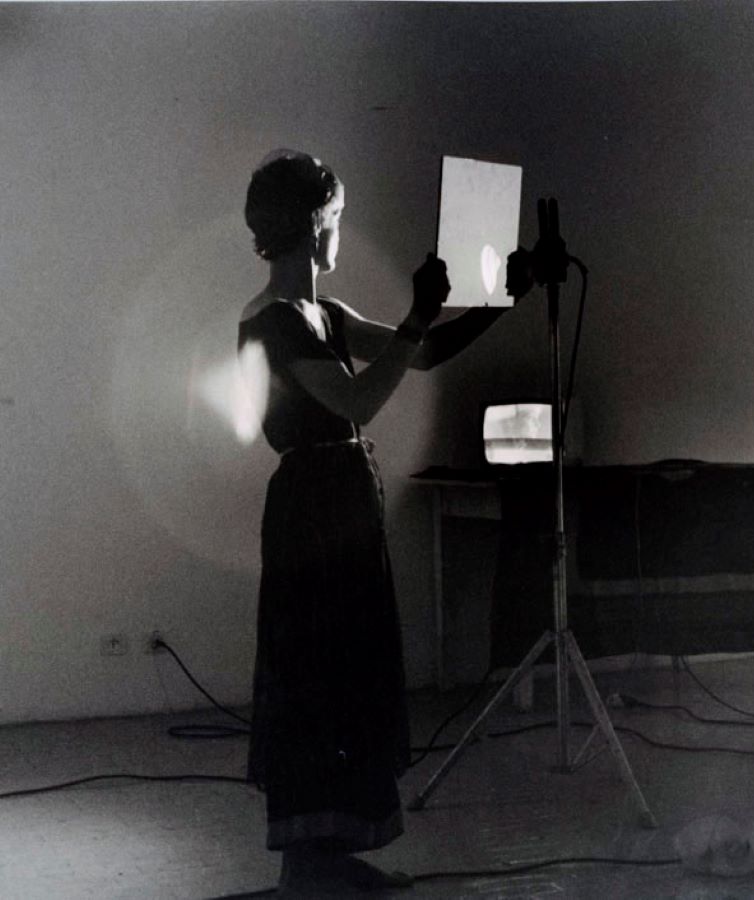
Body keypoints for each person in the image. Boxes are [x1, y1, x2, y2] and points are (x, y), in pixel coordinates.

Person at [239, 150, 510, 895]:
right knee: (318, 676)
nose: (339, 232)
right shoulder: (274, 321)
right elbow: (356, 404)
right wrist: (423, 310)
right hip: (312, 514)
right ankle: (306, 865)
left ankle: (329, 853)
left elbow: (417, 356)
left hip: (340, 504)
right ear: (316, 222)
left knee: (347, 673)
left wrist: (496, 298)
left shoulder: (321, 314)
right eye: (336, 217)